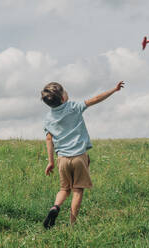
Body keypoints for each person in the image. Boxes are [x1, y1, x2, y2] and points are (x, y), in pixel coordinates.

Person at [40, 81, 124, 229]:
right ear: (63, 98)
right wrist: (114, 90)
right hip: (79, 156)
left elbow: (48, 140)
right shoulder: (74, 107)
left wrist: (50, 162)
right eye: (64, 91)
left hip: (62, 159)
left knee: (64, 189)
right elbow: (96, 99)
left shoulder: (48, 119)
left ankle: (55, 207)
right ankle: (72, 225)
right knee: (77, 191)